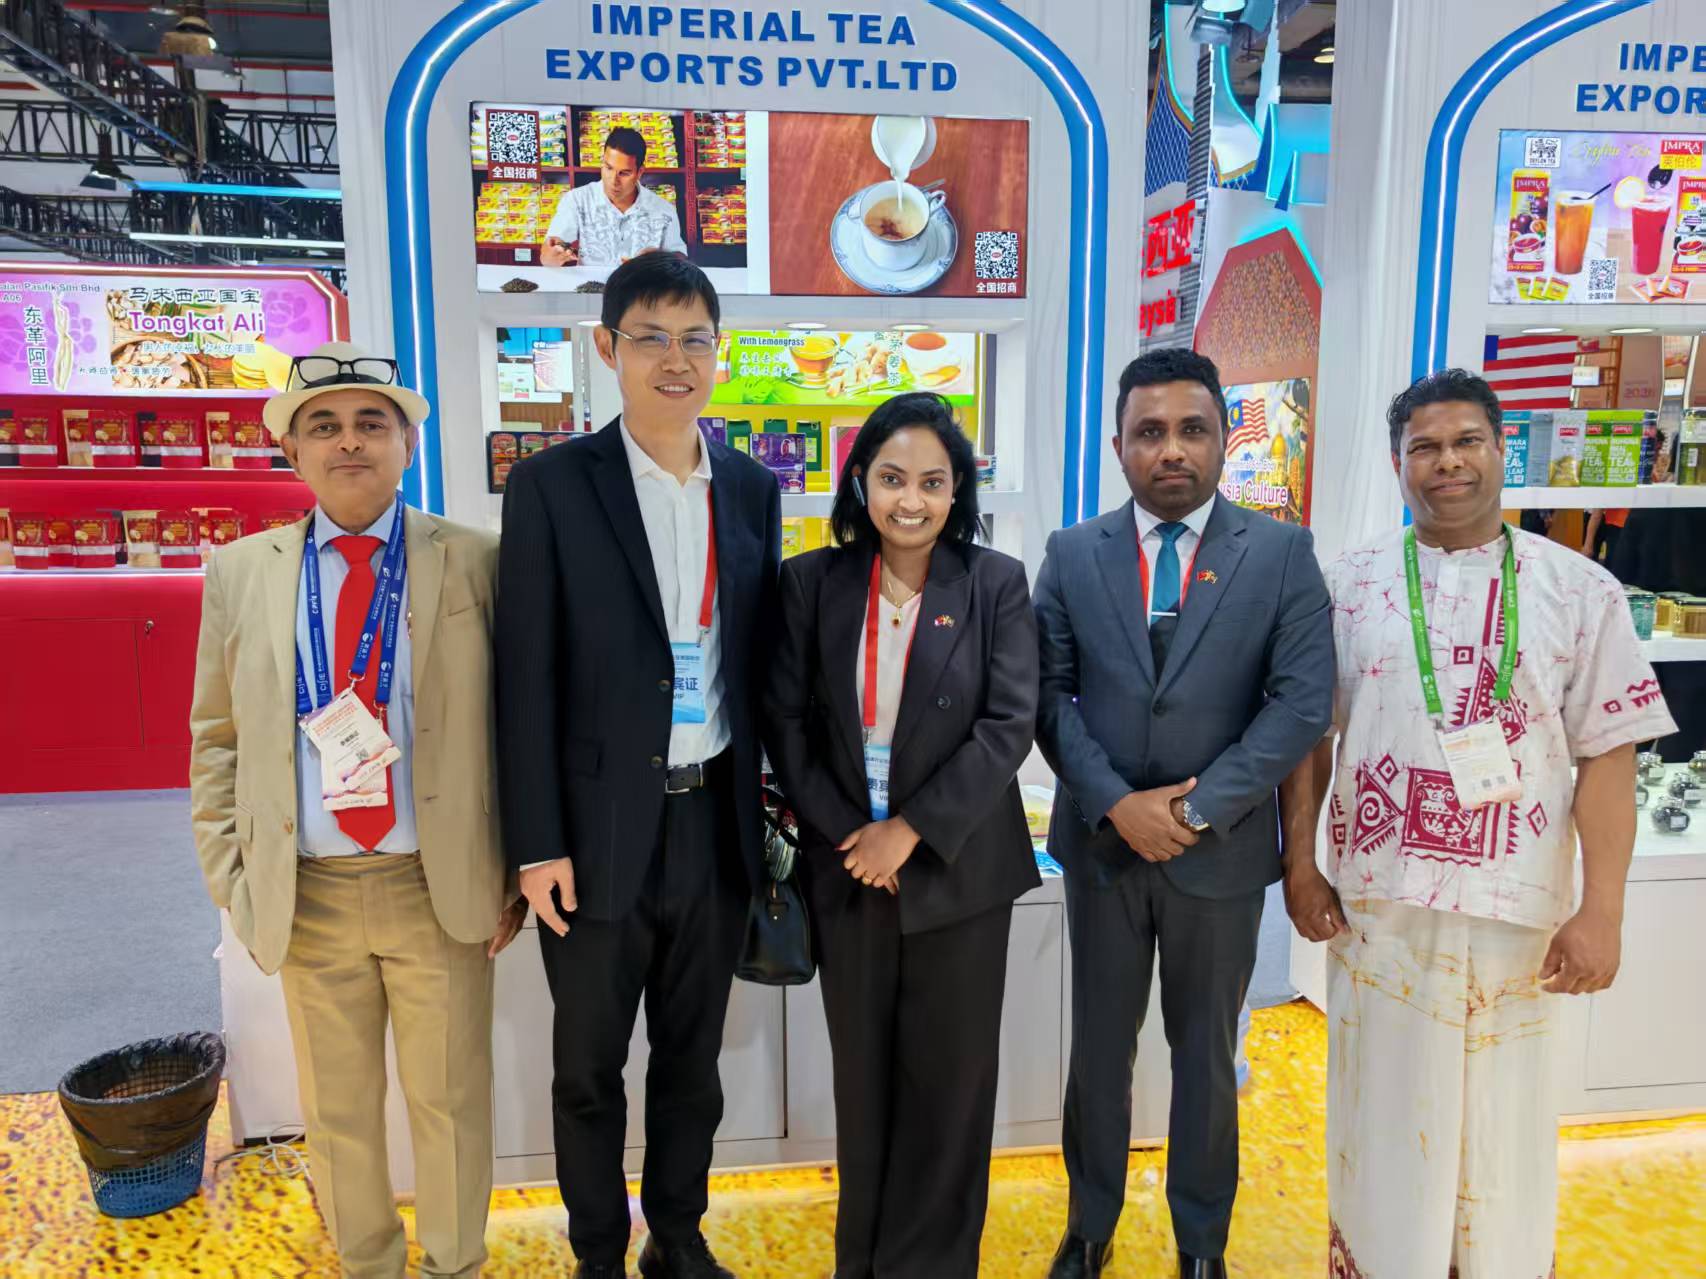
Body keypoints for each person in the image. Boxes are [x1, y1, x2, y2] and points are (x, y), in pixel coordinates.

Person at [1278, 369, 1676, 1279]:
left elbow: (1609, 753)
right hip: (1379, 911)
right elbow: (1308, 737)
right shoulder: (1349, 586)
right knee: (1381, 1119)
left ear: (1502, 451)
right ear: (1397, 463)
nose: (1447, 462)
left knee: (1503, 1131)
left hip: (1518, 918)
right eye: (1424, 447)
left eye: (1466, 442)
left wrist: (1603, 910)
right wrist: (1300, 862)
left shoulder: (1579, 589)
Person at [188, 340, 525, 1279]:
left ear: (407, 444)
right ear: (291, 450)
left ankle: (454, 1264)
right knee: (336, 1111)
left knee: (450, 1103)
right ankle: (368, 1263)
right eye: (324, 426)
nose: (349, 442)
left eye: (371, 423)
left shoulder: (476, 559)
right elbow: (215, 734)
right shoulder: (241, 571)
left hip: (436, 885)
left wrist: (510, 866)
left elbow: (517, 721)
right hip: (309, 891)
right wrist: (232, 874)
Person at [495, 255, 780, 1279]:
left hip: (712, 822)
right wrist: (536, 844)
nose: (675, 359)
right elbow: (522, 676)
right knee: (587, 1067)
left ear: (718, 351)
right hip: (592, 830)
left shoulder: (749, 488)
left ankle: (678, 1235)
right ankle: (597, 1253)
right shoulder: (550, 486)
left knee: (692, 1060)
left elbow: (755, 659)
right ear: (607, 347)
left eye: (695, 338)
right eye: (651, 337)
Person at [1034, 349, 1334, 1279]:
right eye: (1151, 431)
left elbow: (1300, 704)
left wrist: (1197, 807)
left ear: (1223, 439)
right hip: (1104, 849)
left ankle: (1202, 1242)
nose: (1172, 449)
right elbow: (1046, 694)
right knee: (1099, 1048)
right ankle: (1089, 1225)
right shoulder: (1072, 552)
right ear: (1118, 445)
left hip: (1222, 854)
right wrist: (1118, 803)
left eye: (1192, 429)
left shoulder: (1280, 553)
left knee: (1205, 1054)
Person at [762, 392, 1040, 1279]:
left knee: (951, 1090)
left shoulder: (995, 583)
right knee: (865, 1083)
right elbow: (786, 722)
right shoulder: (813, 582)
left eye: (931, 481)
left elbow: (1009, 724)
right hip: (850, 872)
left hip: (959, 871)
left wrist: (910, 830)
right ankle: (864, 1261)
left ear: (957, 490)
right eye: (891, 478)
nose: (910, 499)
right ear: (861, 484)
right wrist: (857, 837)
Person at [542, 126, 688, 268]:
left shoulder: (663, 209)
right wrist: (552, 256)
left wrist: (659, 259)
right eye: (608, 168)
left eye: (624, 173)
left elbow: (680, 258)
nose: (613, 180)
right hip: (592, 284)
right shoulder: (577, 200)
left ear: (639, 172)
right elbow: (548, 254)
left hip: (642, 284)